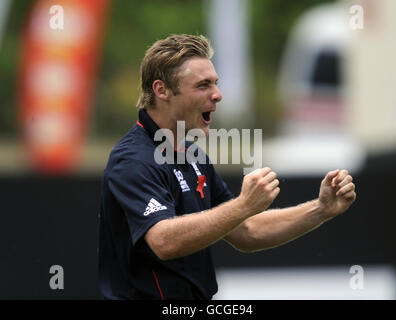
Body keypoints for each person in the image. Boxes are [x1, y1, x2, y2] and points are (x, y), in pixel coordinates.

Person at [98, 34, 356, 300]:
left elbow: (246, 231)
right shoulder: (132, 160)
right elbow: (163, 241)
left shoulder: (191, 153)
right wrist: (243, 205)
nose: (218, 95)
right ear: (162, 90)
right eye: (203, 85)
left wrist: (320, 209)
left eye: (216, 84)